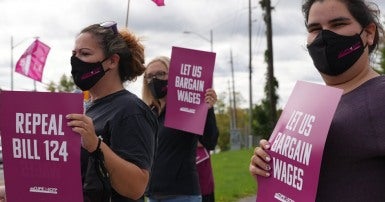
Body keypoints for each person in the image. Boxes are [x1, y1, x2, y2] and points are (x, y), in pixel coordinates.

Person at [249, 0, 385, 201]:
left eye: (338, 24)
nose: (324, 36)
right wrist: (267, 167)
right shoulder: (310, 106)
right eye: (315, 28)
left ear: (369, 33)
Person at [66, 21, 157, 201]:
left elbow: (137, 187)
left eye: (85, 54)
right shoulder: (85, 107)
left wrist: (96, 145)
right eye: (74, 54)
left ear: (112, 61)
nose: (76, 61)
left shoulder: (131, 110)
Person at [142, 56, 219, 202]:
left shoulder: (184, 110)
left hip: (182, 194)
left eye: (161, 74)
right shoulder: (149, 113)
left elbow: (210, 141)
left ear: (174, 76)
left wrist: (207, 110)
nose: (155, 79)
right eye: (150, 76)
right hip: (153, 195)